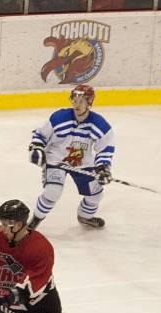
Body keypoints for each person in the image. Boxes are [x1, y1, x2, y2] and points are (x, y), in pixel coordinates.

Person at [27, 84, 115, 229]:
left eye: (81, 101)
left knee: (95, 195)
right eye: (74, 99)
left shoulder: (99, 124)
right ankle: (35, 220)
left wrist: (103, 167)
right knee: (53, 191)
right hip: (56, 159)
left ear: (89, 102)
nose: (76, 104)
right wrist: (37, 148)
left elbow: (105, 148)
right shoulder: (60, 117)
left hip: (81, 163)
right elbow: (40, 135)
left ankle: (85, 217)